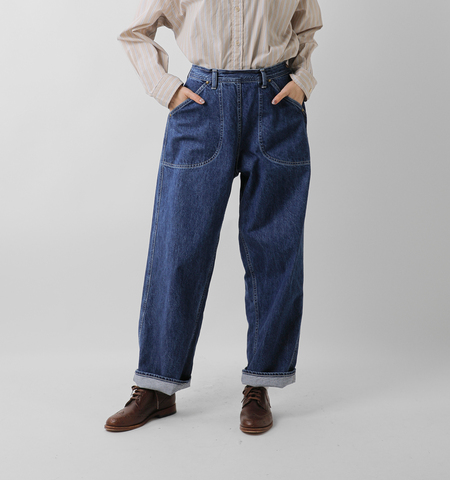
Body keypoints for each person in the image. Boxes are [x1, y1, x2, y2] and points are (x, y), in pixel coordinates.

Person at [105, 0, 323, 435]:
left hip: (276, 103)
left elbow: (307, 26)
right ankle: (157, 386)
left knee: (274, 251)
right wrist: (165, 88)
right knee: (178, 247)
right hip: (202, 104)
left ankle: (261, 383)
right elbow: (135, 32)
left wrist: (302, 80)